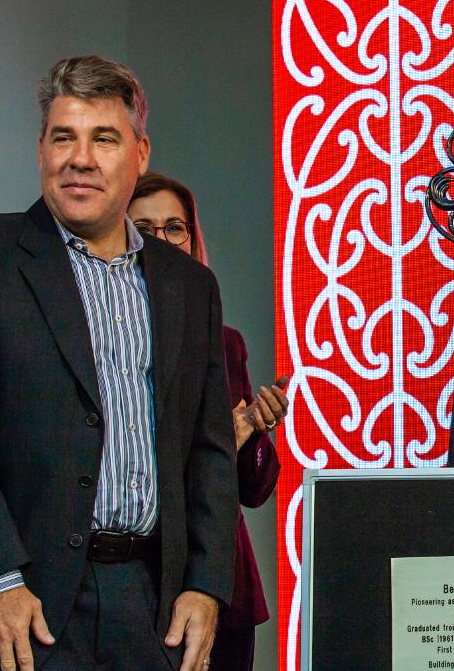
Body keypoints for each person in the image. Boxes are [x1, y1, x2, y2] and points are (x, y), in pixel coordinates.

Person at [0, 56, 237, 671]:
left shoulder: (189, 285)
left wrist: (206, 582)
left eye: (104, 138)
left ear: (139, 155)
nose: (80, 157)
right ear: (41, 149)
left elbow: (209, 450)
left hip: (153, 604)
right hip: (19, 605)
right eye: (63, 136)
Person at [128, 172, 287, 670]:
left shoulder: (227, 341)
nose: (163, 241)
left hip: (224, 584)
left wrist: (253, 434)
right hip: (136, 583)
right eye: (145, 229)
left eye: (175, 228)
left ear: (193, 238)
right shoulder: (98, 335)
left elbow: (254, 489)